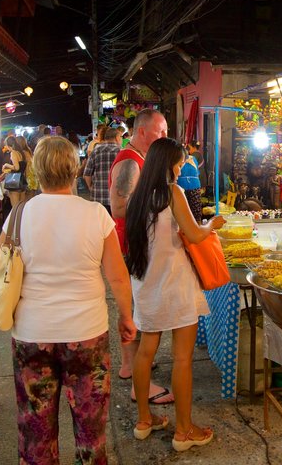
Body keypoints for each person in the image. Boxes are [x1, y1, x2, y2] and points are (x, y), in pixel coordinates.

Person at [0, 136, 136, 464]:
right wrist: (126, 317)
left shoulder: (20, 214)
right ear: (75, 168)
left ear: (37, 171)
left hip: (32, 333)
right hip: (87, 334)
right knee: (91, 427)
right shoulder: (96, 214)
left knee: (35, 429)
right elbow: (117, 275)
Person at [125, 138, 225, 452]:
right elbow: (194, 234)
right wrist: (212, 224)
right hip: (176, 285)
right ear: (168, 162)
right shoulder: (172, 192)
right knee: (182, 358)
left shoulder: (138, 197)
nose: (182, 167)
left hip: (146, 285)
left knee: (145, 353)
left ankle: (144, 420)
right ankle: (184, 431)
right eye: (179, 162)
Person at [108, 108, 173, 405]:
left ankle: (129, 366)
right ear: (143, 131)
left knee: (133, 307)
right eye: (160, 132)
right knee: (137, 308)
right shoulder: (130, 162)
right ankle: (138, 381)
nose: (164, 137)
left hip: (133, 244)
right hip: (128, 246)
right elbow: (119, 207)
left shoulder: (141, 159)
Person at [82, 126, 120, 213]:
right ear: (117, 138)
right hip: (116, 198)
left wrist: (91, 187)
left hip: (98, 197)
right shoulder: (120, 152)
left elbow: (87, 174)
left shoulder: (95, 151)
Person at [2, 135, 31, 208]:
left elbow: (16, 167)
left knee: (15, 207)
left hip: (14, 180)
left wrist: (6, 165)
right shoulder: (20, 153)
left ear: (8, 145)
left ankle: (15, 219)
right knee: (21, 206)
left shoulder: (13, 153)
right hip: (22, 180)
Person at [177, 141, 203, 222]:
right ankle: (196, 226)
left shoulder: (177, 160)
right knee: (195, 211)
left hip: (181, 187)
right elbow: (197, 173)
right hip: (194, 186)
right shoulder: (193, 158)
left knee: (182, 211)